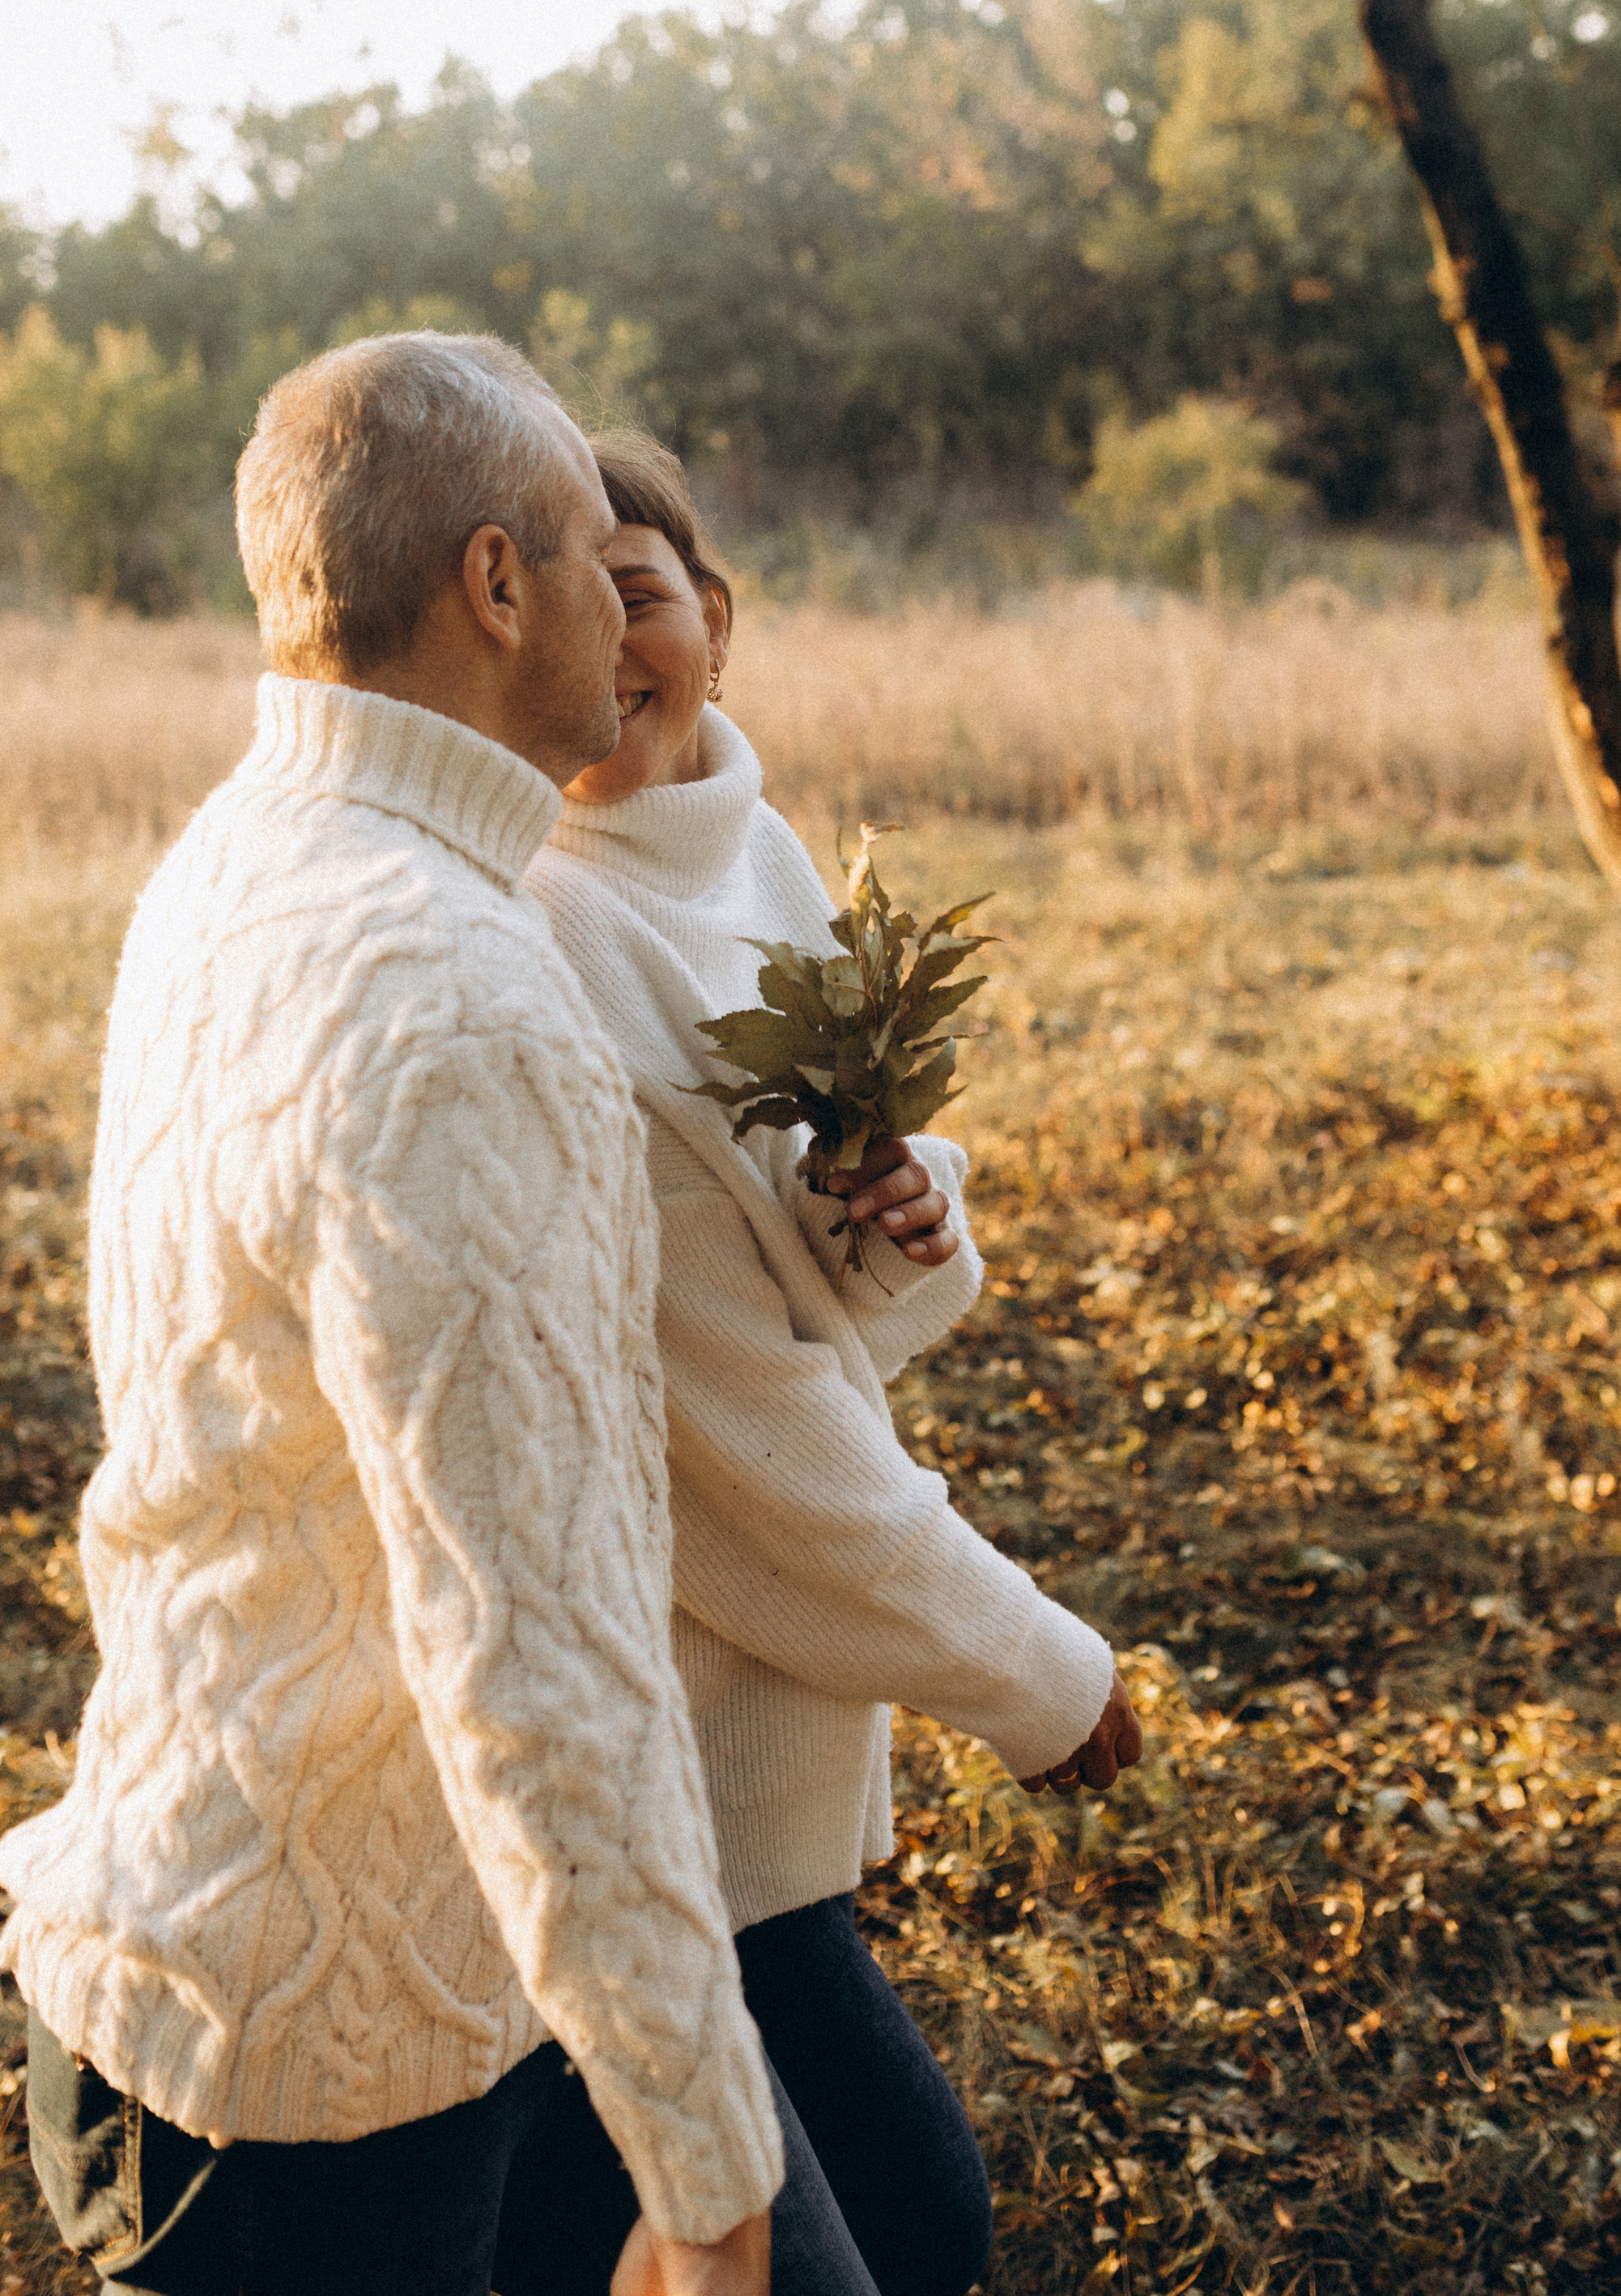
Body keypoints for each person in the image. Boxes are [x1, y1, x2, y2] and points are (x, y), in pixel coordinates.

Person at [0, 336, 789, 2296]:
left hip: (349, 1959)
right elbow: (535, 1643)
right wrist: (703, 2178)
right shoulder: (452, 993)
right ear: (496, 583)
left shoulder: (244, 855)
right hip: (309, 2075)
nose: (628, 609)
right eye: (592, 556)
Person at [512, 429, 1144, 2296]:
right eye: (555, 601)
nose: (602, 640)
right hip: (635, 1759)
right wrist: (1031, 1671)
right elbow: (741, 1429)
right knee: (851, 2237)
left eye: (637, 592)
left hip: (747, 1763)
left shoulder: (758, 855)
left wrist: (900, 1205)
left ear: (713, 617)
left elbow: (805, 1283)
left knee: (917, 2219)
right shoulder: (550, 934)